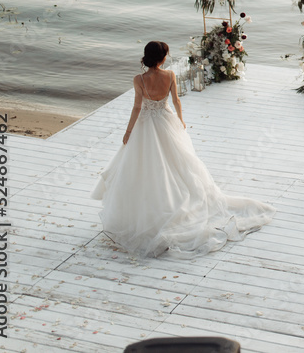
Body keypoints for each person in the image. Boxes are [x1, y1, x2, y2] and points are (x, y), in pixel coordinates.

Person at [90, 41, 274, 259]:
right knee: (178, 163)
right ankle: (175, 204)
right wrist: (180, 120)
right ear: (162, 58)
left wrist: (129, 131)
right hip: (166, 121)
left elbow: (137, 107)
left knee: (144, 166)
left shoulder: (139, 80)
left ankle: (150, 210)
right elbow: (176, 100)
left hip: (146, 126)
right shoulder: (169, 75)